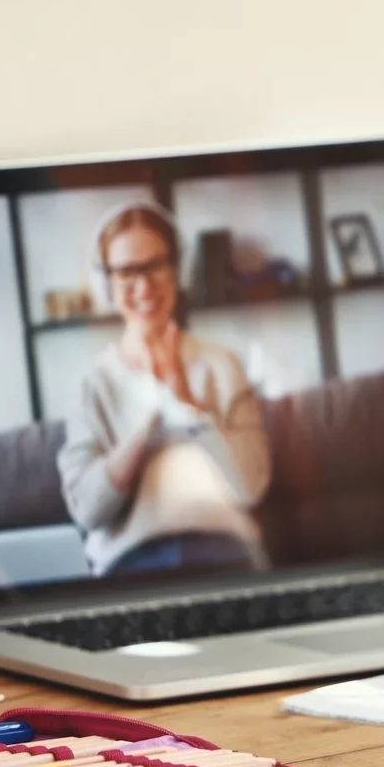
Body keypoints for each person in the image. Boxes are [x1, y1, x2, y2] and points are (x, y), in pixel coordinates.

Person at [58, 200, 273, 577]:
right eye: (127, 272)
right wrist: (149, 423)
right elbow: (88, 511)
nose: (144, 286)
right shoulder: (92, 385)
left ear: (176, 270)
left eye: (156, 266)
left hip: (225, 552)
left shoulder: (223, 364)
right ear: (106, 282)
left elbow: (250, 488)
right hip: (131, 561)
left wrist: (190, 407)